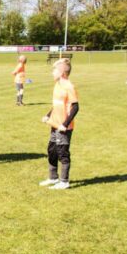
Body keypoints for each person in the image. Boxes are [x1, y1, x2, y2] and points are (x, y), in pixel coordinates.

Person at [39, 58, 79, 190]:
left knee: (63, 153)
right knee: (52, 151)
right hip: (54, 124)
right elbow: (57, 105)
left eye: (54, 70)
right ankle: (53, 177)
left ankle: (64, 181)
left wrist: (65, 124)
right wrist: (48, 115)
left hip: (63, 127)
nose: (52, 73)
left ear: (62, 73)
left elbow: (75, 107)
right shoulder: (57, 84)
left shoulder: (69, 86)